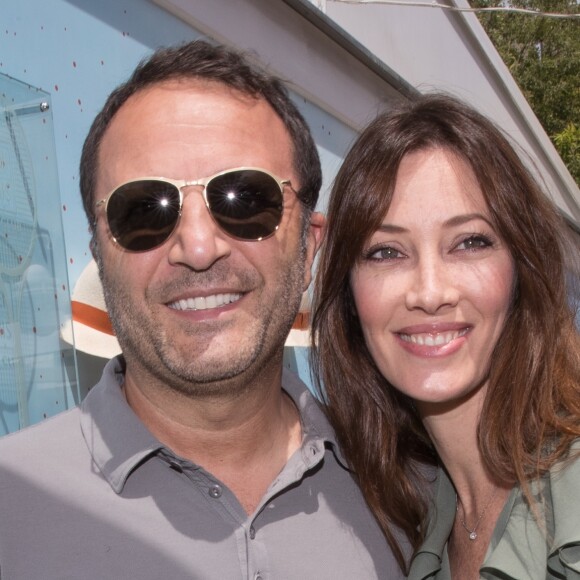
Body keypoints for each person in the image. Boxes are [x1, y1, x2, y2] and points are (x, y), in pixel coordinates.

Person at [0, 40, 405, 579]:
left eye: (244, 199)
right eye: (143, 210)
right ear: (100, 251)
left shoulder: (410, 493)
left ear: (309, 246)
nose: (197, 248)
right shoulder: (13, 504)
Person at [311, 93, 580, 578]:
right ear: (348, 294)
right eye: (386, 252)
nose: (430, 292)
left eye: (469, 243)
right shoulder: (417, 512)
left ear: (521, 269)